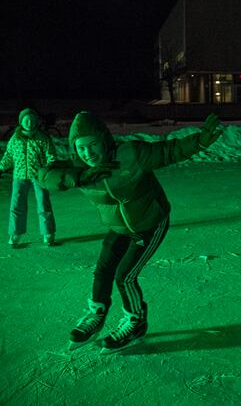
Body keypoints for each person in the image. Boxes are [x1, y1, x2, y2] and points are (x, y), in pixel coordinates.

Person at [38, 112, 223, 352]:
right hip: (119, 227)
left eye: (93, 145)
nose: (88, 153)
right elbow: (44, 175)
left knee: (124, 275)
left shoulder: (130, 155)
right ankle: (97, 313)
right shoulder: (80, 167)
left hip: (150, 223)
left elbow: (168, 151)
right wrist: (80, 176)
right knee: (103, 268)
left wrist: (199, 141)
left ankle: (136, 322)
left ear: (104, 141)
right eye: (81, 148)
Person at [1, 108, 57, 247]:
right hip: (19, 175)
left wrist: (49, 166)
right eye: (27, 120)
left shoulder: (42, 137)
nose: (30, 122)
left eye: (33, 120)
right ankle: (15, 233)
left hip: (38, 175)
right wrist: (1, 166)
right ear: (21, 122)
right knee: (17, 204)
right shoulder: (16, 138)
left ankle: (48, 233)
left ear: (37, 121)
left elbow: (51, 154)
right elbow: (9, 155)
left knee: (43, 202)